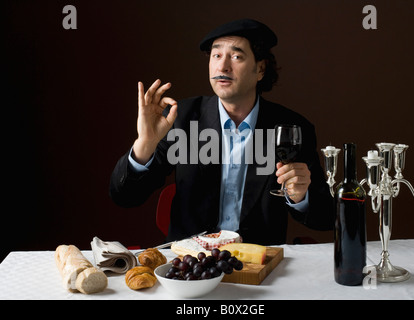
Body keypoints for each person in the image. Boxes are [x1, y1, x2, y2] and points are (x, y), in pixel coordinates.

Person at [110, 19, 334, 245]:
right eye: (216, 56)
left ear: (260, 69)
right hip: (190, 264)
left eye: (236, 56)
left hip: (259, 265)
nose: (222, 67)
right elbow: (125, 197)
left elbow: (325, 218)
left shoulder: (291, 128)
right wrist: (145, 144)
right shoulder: (182, 118)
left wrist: (301, 197)